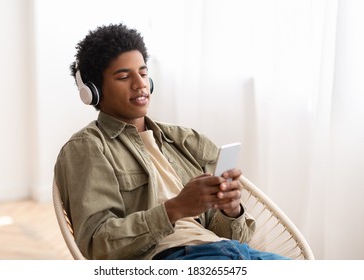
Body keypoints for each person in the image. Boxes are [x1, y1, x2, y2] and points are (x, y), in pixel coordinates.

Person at [54, 23, 289, 260]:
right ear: (93, 91)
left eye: (143, 73)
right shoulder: (88, 147)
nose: (140, 84)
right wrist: (175, 208)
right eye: (124, 76)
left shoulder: (186, 141)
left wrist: (231, 210)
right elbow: (97, 244)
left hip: (230, 251)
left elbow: (230, 235)